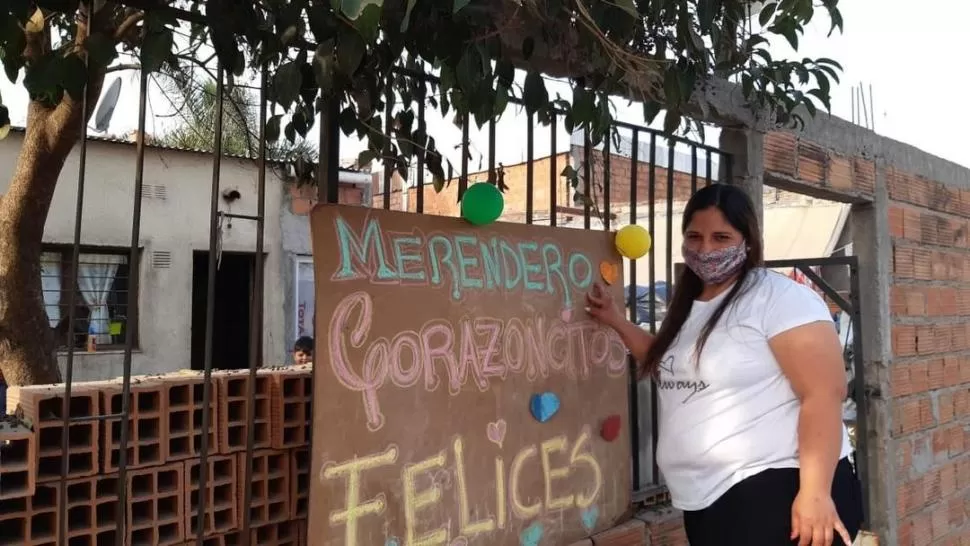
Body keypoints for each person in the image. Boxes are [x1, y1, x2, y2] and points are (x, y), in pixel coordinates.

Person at [586, 184, 863, 546]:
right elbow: (668, 363)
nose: (705, 249)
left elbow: (824, 393)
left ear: (747, 240)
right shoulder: (690, 305)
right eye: (694, 237)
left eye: (721, 237)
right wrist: (616, 321)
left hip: (778, 491)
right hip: (707, 499)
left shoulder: (778, 298)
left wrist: (815, 493)